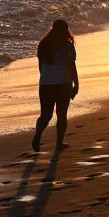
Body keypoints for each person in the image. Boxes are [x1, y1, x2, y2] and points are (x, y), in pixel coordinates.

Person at [32, 19, 79, 152]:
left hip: (46, 83)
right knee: (61, 114)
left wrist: (46, 79)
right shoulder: (67, 45)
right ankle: (59, 143)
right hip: (63, 83)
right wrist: (76, 83)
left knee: (46, 115)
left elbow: (41, 67)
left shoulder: (43, 44)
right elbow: (72, 66)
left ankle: (38, 134)